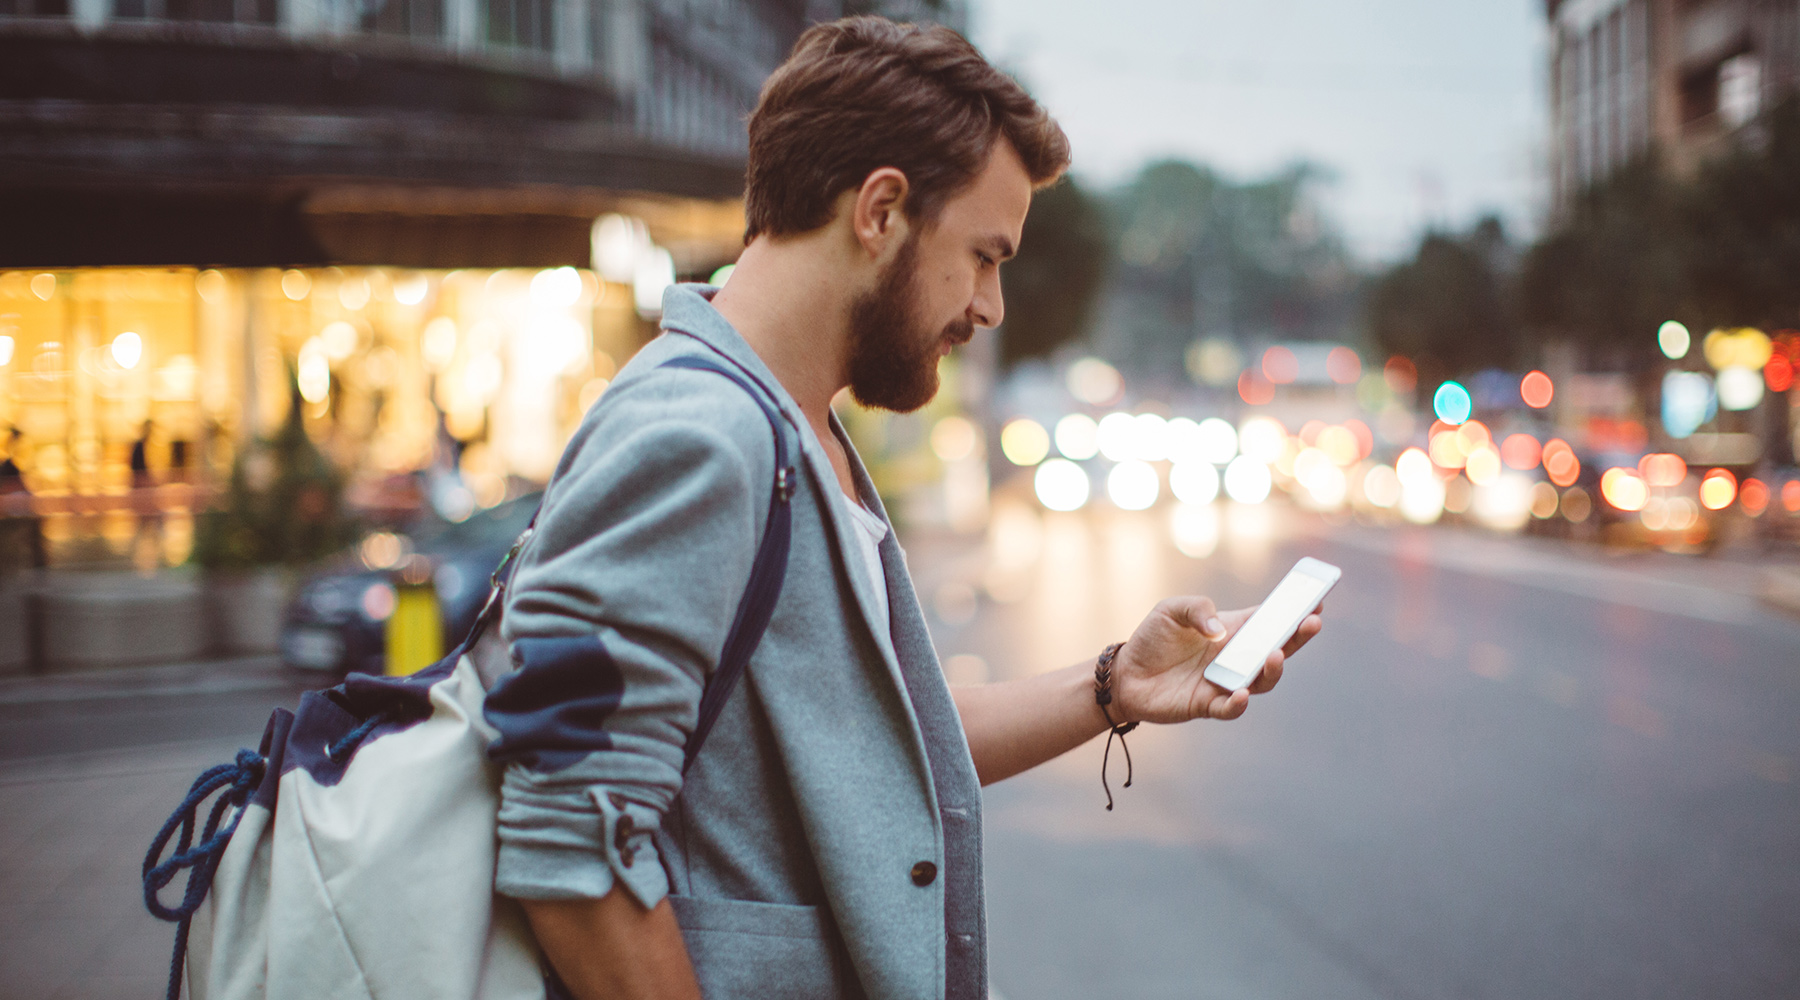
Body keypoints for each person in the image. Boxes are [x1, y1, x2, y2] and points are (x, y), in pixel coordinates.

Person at [485, 16, 1323, 1000]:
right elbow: (569, 836)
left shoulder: (794, 428)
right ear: (880, 209)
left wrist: (1110, 686)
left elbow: (868, 748)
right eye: (983, 255)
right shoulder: (696, 434)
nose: (992, 304)